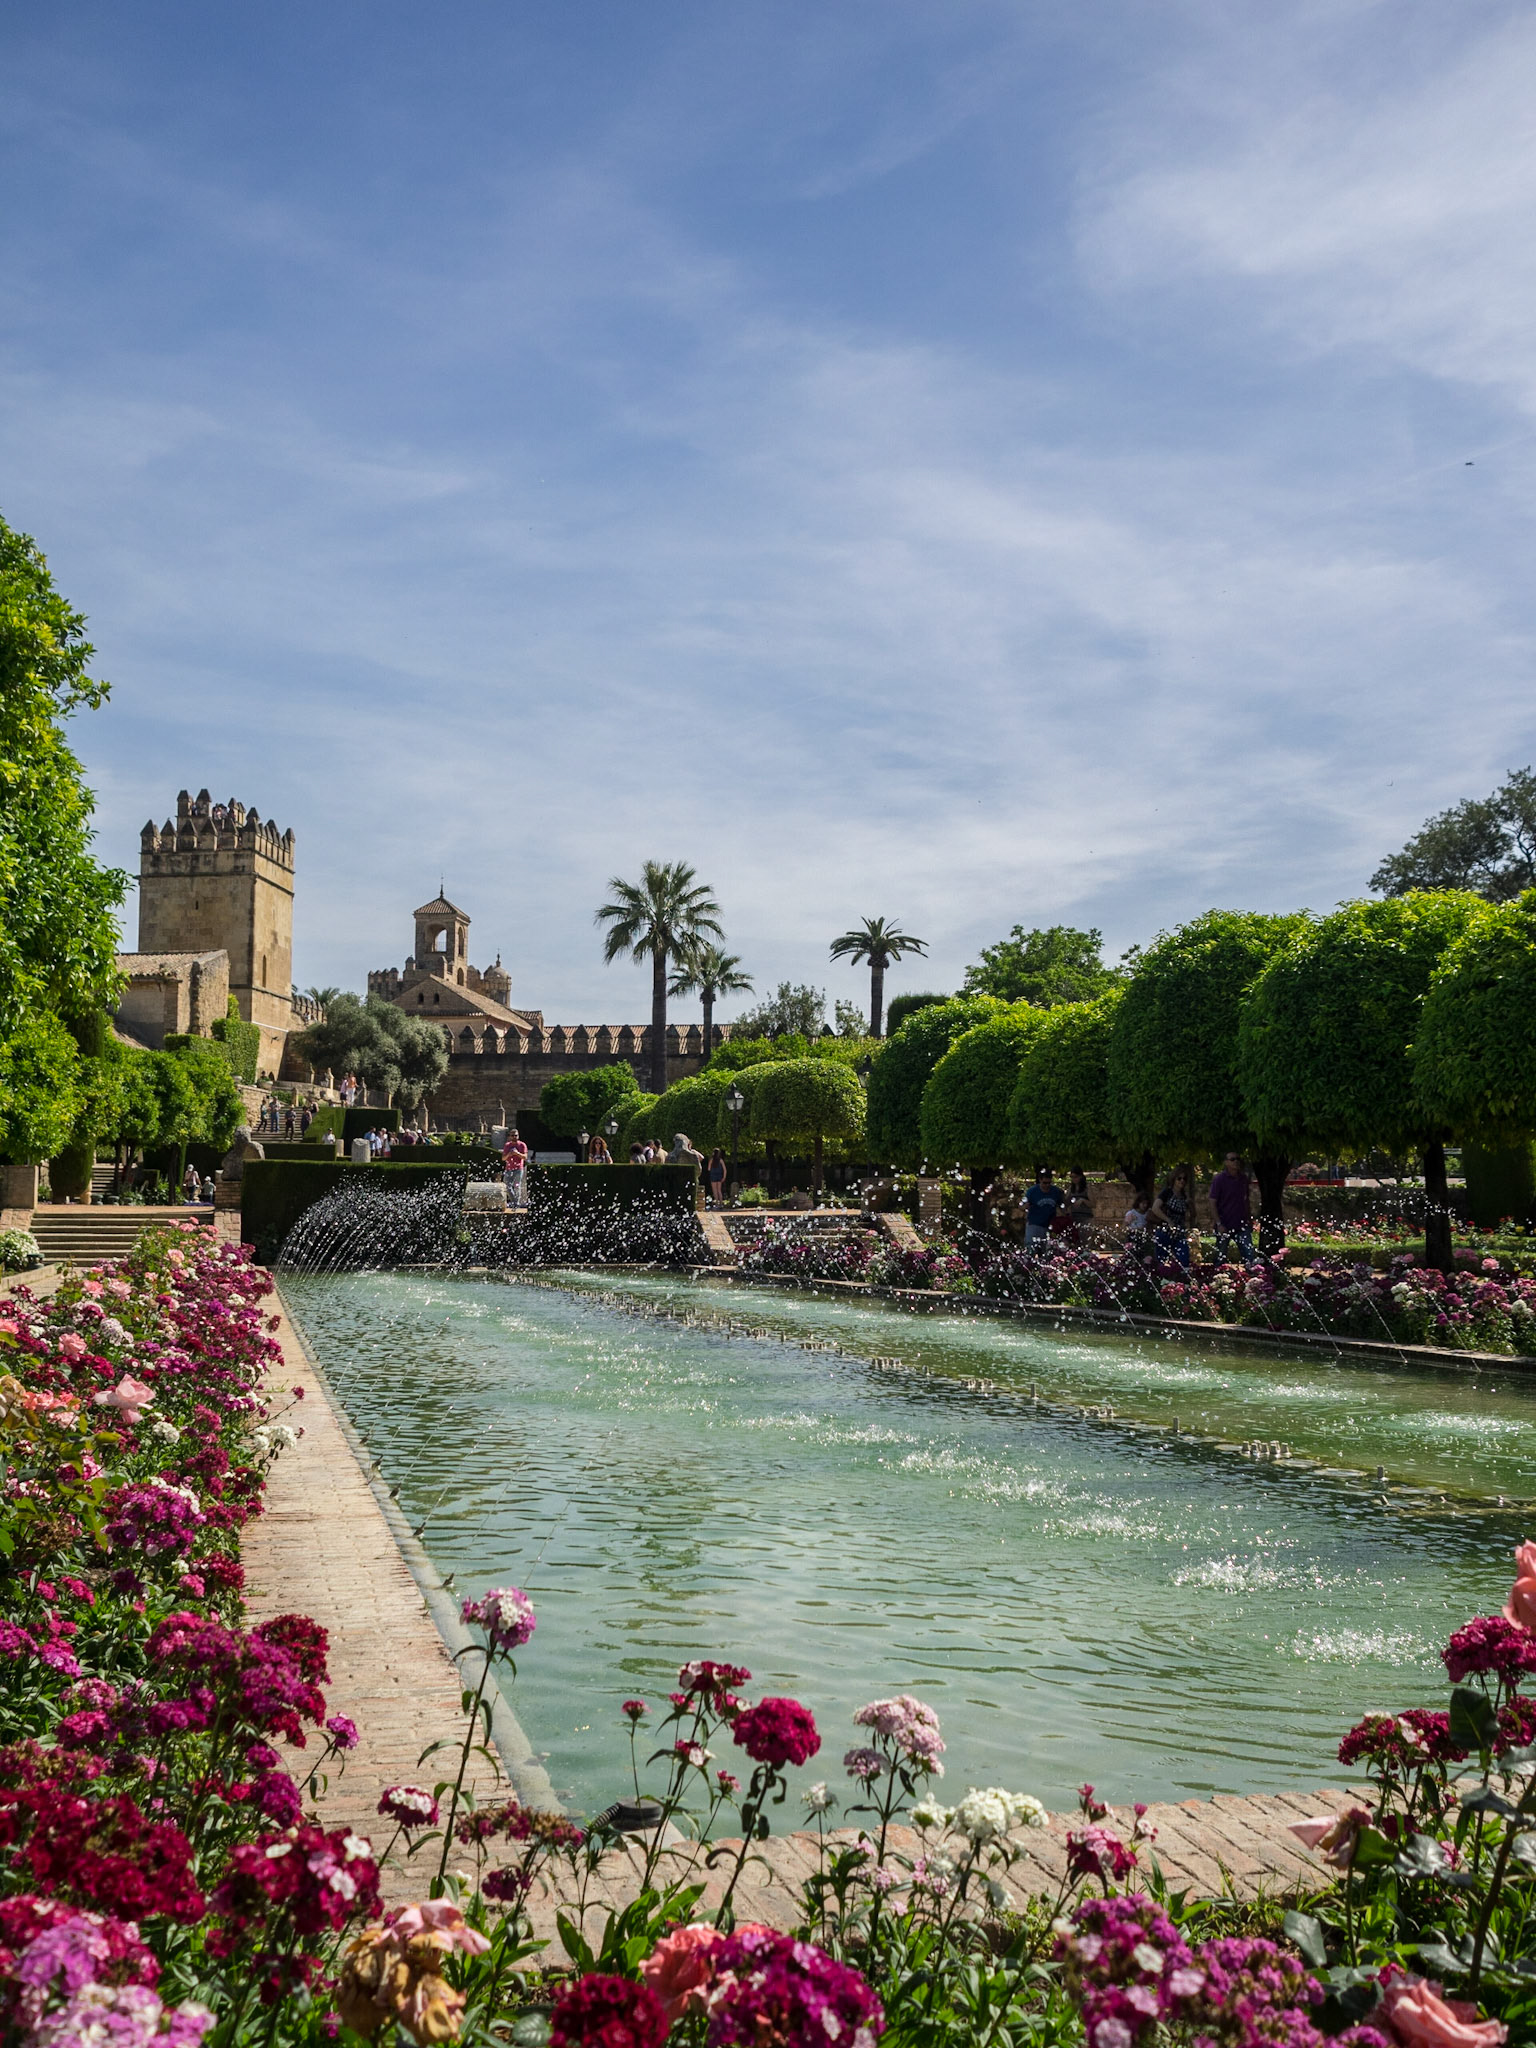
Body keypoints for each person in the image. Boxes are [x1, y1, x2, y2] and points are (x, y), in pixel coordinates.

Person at [1209, 1151, 1255, 1263]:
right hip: (1224, 1224)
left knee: (1249, 1255)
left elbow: (1246, 1200)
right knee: (1220, 1256)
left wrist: (1249, 1219)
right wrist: (1219, 1223)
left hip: (1241, 1224)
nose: (1236, 1162)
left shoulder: (1243, 1179)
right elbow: (1212, 1202)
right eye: (1232, 1159)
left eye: (1238, 1159)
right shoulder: (1219, 1179)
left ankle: (1254, 1278)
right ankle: (1218, 1278)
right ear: (1226, 1162)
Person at [1152, 1163, 1194, 1269]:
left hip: (1179, 1232)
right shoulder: (1167, 1193)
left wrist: (1191, 1205)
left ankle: (1181, 1281)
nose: (1182, 1181)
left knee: (1184, 1259)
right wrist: (1168, 1220)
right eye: (1179, 1178)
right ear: (1174, 1179)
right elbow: (1155, 1208)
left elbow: (1192, 1216)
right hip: (1165, 1231)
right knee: (1162, 1261)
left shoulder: (1184, 1196)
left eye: (1184, 1179)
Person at [1022, 1166, 1062, 1251]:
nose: (1047, 1185)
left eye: (1049, 1183)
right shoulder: (1032, 1191)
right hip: (1034, 1224)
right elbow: (1022, 1205)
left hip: (1049, 1226)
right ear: (1040, 1180)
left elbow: (1062, 1206)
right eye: (1044, 1183)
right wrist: (1025, 1206)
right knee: (1031, 1250)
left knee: (1047, 1252)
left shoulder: (1055, 1191)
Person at [1061, 1168, 1094, 1245]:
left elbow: (1093, 1204)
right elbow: (1066, 1202)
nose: (1074, 1179)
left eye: (1075, 1177)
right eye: (1072, 1177)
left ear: (1080, 1177)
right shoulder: (1071, 1189)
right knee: (1075, 1242)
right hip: (1074, 1217)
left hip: (1086, 1218)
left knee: (1084, 1242)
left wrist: (1083, 1200)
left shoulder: (1087, 1188)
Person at [502, 1130, 529, 1209]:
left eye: (516, 1135)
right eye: (512, 1136)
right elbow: (503, 1158)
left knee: (517, 1186)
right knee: (507, 1186)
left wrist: (517, 1153)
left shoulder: (522, 1145)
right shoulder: (507, 1145)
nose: (514, 1137)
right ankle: (515, 1202)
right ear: (509, 1136)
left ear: (518, 1136)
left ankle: (516, 1204)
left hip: (518, 1169)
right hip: (508, 1169)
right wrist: (509, 1154)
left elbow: (525, 1157)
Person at [1124, 1190, 1154, 1255]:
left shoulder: (1148, 1214)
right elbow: (1125, 1227)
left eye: (1146, 1203)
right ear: (1138, 1203)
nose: (1145, 1205)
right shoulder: (1132, 1214)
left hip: (1144, 1237)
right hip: (1133, 1237)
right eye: (1143, 1203)